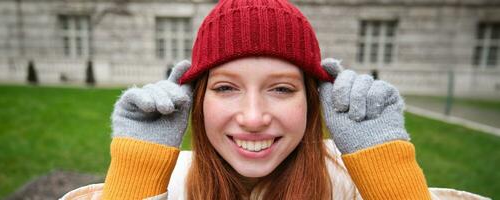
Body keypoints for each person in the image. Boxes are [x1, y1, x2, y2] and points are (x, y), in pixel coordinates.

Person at [61, 0, 489, 199]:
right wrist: (136, 174)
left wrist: (388, 174)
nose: (252, 117)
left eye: (281, 88)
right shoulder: (169, 188)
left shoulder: (357, 189)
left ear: (313, 100)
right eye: (226, 87)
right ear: (196, 99)